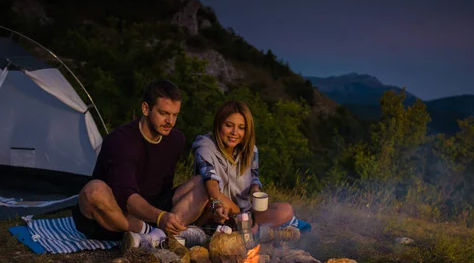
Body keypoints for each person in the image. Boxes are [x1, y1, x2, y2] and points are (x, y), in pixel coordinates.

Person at [72, 79, 209, 250]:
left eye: (175, 115)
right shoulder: (121, 140)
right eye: (164, 113)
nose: (170, 121)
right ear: (146, 108)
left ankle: (158, 236)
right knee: (93, 190)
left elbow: (165, 187)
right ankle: (152, 233)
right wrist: (159, 218)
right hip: (114, 215)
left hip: (151, 208)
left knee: (203, 183)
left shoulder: (176, 139)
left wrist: (165, 215)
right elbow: (126, 197)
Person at [191, 100, 311, 234]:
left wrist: (255, 190)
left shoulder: (251, 151)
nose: (235, 132)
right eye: (229, 125)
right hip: (217, 209)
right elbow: (210, 180)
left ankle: (249, 229)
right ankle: (253, 231)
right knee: (213, 196)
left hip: (244, 212)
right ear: (218, 124)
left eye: (241, 128)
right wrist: (220, 206)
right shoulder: (204, 146)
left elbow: (254, 177)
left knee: (286, 210)